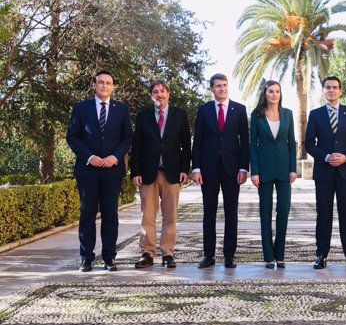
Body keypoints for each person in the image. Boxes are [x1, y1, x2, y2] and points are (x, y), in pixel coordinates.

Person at [66, 70, 133, 272]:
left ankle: (109, 257)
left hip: (112, 170)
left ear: (113, 86)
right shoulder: (81, 108)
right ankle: (86, 257)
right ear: (94, 85)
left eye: (108, 83)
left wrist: (115, 157)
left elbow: (128, 138)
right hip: (88, 170)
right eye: (101, 82)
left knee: (110, 214)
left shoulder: (121, 109)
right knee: (87, 213)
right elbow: (73, 137)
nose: (104, 86)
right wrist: (89, 157)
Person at [130, 79, 191, 269]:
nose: (159, 95)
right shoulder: (143, 116)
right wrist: (136, 171)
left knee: (170, 216)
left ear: (168, 94)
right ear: (151, 96)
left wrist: (184, 169)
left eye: (163, 91)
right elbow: (137, 146)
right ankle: (147, 253)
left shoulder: (180, 115)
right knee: (147, 215)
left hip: (171, 172)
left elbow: (186, 145)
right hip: (148, 173)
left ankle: (168, 254)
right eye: (155, 92)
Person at [305, 76, 346, 270]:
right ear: (323, 91)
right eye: (327, 87)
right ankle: (321, 255)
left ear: (340, 91)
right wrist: (326, 156)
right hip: (324, 172)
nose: (331, 90)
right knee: (323, 215)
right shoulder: (315, 114)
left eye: (335, 87)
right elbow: (309, 144)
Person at [191, 73, 249, 269]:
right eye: (218, 86)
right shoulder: (204, 110)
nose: (222, 88)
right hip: (208, 170)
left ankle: (229, 255)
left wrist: (243, 167)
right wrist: (196, 168)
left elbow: (245, 141)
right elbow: (197, 140)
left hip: (232, 169)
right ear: (211, 89)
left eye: (224, 85)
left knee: (231, 212)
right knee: (209, 213)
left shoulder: (239, 110)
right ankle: (208, 255)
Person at [249, 80, 297, 269]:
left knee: (283, 211)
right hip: (264, 170)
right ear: (265, 93)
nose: (274, 94)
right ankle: (269, 256)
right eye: (271, 91)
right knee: (265, 213)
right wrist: (255, 171)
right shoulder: (256, 115)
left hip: (285, 170)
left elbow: (292, 143)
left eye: (277, 91)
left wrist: (293, 168)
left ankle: (280, 255)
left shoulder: (288, 114)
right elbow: (253, 144)